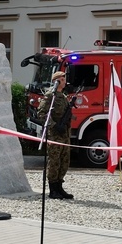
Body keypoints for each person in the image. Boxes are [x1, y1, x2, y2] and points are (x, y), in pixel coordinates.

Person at [37, 70, 74, 199]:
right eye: (62, 79)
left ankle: (59, 186)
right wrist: (54, 126)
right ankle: (53, 189)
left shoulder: (63, 97)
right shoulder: (49, 96)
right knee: (54, 161)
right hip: (54, 135)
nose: (65, 82)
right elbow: (41, 113)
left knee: (64, 161)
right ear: (56, 81)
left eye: (64, 79)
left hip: (64, 134)